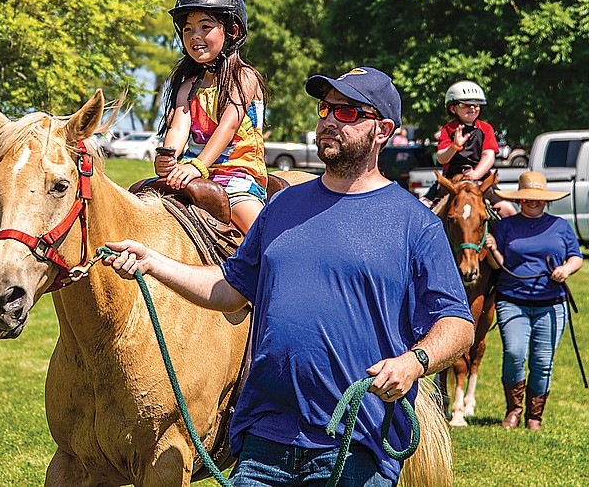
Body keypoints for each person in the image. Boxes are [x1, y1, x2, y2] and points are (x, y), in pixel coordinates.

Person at [105, 66, 474, 486]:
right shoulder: (282, 207)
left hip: (355, 445)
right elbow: (231, 289)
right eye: (325, 108)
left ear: (383, 130)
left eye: (349, 113)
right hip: (264, 442)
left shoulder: (414, 223)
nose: (330, 120)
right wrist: (153, 262)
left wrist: (414, 361)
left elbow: (457, 323)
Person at [155, 0, 268, 233]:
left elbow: (227, 128)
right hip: (190, 174)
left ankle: (273, 269)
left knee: (260, 236)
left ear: (233, 31)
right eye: (187, 29)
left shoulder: (244, 78)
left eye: (205, 26)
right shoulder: (187, 87)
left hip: (236, 178)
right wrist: (168, 156)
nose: (195, 36)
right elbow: (178, 129)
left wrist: (198, 165)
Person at [484, 171, 583, 430]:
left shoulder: (561, 226)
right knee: (514, 353)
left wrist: (566, 270)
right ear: (519, 200)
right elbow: (499, 266)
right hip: (512, 299)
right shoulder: (506, 226)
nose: (533, 202)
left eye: (537, 198)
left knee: (543, 361)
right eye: (527, 198)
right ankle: (514, 409)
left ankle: (534, 416)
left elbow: (576, 256)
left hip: (551, 303)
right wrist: (493, 249)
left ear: (546, 201)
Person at [420, 80, 516, 217]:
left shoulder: (486, 128)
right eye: (465, 105)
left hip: (481, 181)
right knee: (422, 209)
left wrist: (476, 174)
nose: (472, 109)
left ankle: (497, 239)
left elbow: (488, 156)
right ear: (453, 108)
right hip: (451, 180)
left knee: (508, 211)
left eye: (476, 105)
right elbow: (441, 158)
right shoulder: (448, 129)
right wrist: (455, 146)